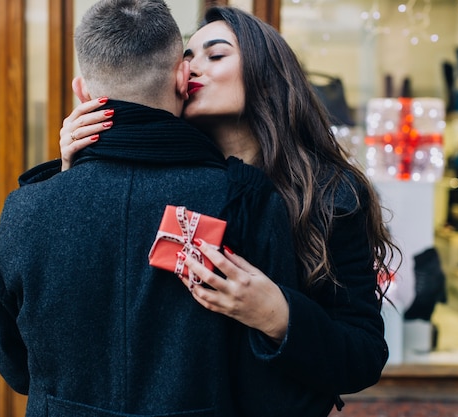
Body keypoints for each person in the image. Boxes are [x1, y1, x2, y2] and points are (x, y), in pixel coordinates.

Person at [53, 5, 401, 416]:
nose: (191, 69)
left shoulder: (330, 195)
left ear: (266, 76)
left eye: (215, 55)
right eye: (186, 59)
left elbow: (362, 355)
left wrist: (277, 315)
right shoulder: (168, 180)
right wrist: (76, 172)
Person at [0, 1, 300, 416]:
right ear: (183, 78)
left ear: (83, 92)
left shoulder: (26, 207)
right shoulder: (245, 197)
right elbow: (269, 380)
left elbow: (11, 363)